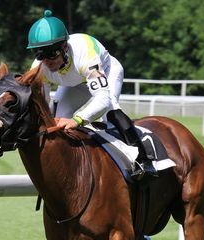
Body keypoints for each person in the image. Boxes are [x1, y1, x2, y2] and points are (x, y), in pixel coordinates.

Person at [27, 10, 156, 180]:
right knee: (57, 120)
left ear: (65, 47)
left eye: (52, 53)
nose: (47, 61)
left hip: (107, 72)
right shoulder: (38, 68)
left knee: (110, 112)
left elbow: (102, 99)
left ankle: (143, 158)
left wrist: (77, 120)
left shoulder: (86, 55)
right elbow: (43, 106)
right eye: (40, 54)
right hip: (74, 84)